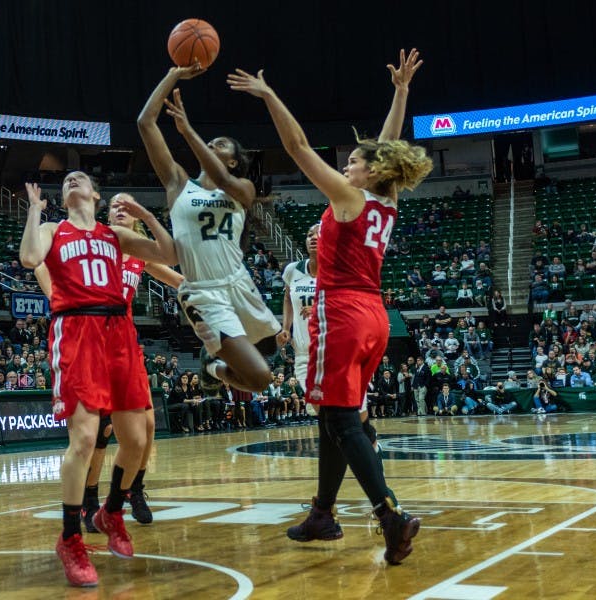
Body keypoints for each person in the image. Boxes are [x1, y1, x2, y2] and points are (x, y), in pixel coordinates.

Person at [229, 48, 432, 564]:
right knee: (333, 417)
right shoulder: (386, 201)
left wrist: (270, 95)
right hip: (375, 319)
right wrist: (401, 92)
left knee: (343, 422)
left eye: (352, 162)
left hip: (341, 314)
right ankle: (322, 513)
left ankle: (390, 515)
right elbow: (386, 146)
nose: (346, 165)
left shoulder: (349, 198)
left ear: (365, 174)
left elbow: (297, 146)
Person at [20, 173, 176, 587]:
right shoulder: (56, 229)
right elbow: (30, 258)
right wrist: (35, 210)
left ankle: (111, 511)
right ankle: (70, 536)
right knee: (85, 440)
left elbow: (170, 253)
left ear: (94, 194)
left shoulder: (113, 235)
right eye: (66, 179)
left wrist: (143, 213)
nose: (72, 179)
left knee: (138, 440)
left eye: (80, 178)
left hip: (118, 334)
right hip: (77, 331)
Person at [138, 63, 281, 395]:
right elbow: (145, 123)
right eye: (210, 142)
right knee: (262, 379)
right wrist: (171, 75)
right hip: (203, 291)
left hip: (238, 284)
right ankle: (211, 367)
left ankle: (217, 362)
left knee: (270, 351)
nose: (212, 145)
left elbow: (222, 179)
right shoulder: (179, 184)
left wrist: (188, 132)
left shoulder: (241, 188)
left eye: (219, 144)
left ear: (233, 160)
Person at [281, 224, 319, 401]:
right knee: (315, 402)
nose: (313, 237)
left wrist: (318, 308)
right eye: (310, 234)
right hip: (302, 350)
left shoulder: (338, 270)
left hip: (330, 350)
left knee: (334, 404)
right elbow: (288, 298)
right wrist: (286, 328)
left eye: (319, 234)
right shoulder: (292, 270)